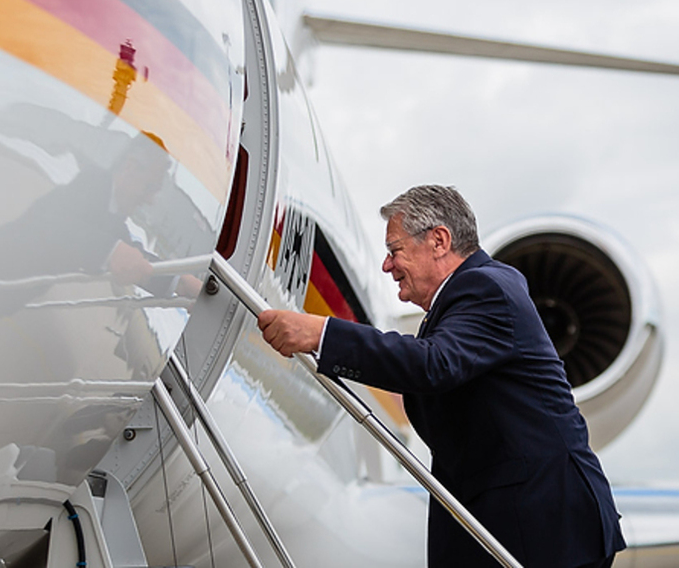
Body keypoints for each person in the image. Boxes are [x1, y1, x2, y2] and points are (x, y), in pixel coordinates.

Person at [257, 185, 625, 568]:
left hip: (544, 531)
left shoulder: (486, 286)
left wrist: (323, 334)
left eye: (394, 250)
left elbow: (434, 364)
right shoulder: (458, 302)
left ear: (438, 240)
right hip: (522, 529)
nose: (387, 266)